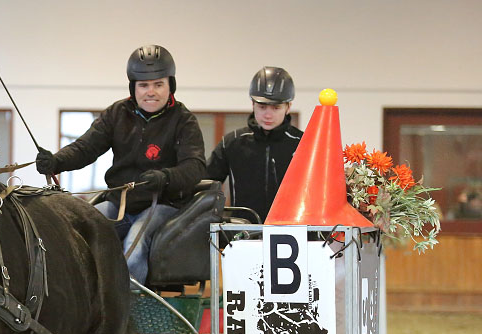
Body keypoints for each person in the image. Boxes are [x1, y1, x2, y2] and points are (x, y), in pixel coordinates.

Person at [35, 45, 205, 284]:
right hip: (119, 202)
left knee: (133, 247)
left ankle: (130, 315)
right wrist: (56, 161)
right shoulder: (117, 114)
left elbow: (195, 167)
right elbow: (86, 148)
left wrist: (165, 177)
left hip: (163, 204)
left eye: (158, 84)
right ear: (133, 87)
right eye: (143, 85)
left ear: (171, 85)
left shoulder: (184, 121)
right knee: (78, 232)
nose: (151, 92)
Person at [207, 66, 303, 219]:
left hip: (292, 231)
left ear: (288, 107)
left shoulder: (304, 145)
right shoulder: (232, 143)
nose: (268, 115)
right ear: (252, 104)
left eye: (276, 108)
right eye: (262, 107)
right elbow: (206, 185)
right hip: (242, 232)